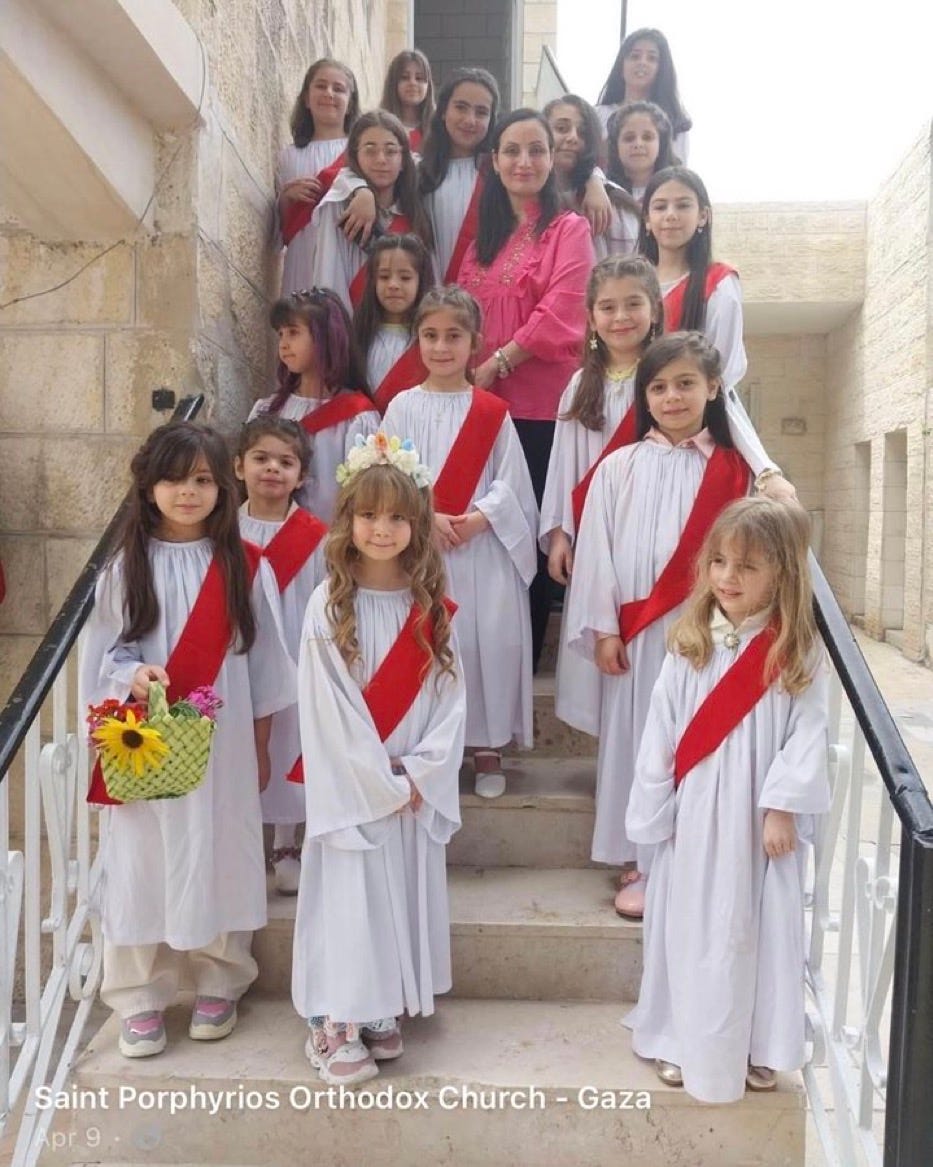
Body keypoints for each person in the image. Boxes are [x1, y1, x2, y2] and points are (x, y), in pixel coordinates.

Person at [79, 421, 294, 1058]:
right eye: (173, 478)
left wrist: (260, 748)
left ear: (224, 486)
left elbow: (266, 669)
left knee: (222, 847)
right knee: (141, 856)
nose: (188, 492)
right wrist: (131, 675)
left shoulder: (246, 567)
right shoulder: (125, 567)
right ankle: (138, 992)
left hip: (222, 744)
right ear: (148, 486)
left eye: (202, 479)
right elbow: (103, 655)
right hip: (146, 740)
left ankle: (221, 977)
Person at [626, 497, 829, 1102]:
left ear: (781, 573)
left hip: (758, 824)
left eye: (747, 566)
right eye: (718, 562)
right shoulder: (690, 642)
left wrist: (783, 805)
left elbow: (809, 731)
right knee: (691, 929)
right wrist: (656, 808)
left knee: (755, 933)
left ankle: (759, 1043)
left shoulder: (796, 651)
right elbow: (661, 730)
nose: (728, 577)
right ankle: (681, 1037)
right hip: (695, 817)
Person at [291, 436, 466, 1086]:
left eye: (397, 517)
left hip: (408, 784)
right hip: (354, 786)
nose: (382, 529)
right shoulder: (328, 605)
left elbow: (451, 699)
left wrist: (420, 772)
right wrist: (374, 779)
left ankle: (377, 1002)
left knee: (395, 891)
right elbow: (327, 707)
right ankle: (335, 1017)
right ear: (348, 520)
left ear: (417, 524)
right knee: (351, 893)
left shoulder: (430, 608)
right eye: (368, 515)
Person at [566, 332, 752, 918]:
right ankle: (642, 860)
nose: (671, 397)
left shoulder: (735, 471)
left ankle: (695, 854)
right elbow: (596, 552)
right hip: (639, 633)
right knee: (639, 744)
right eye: (658, 387)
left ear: (714, 388)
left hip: (707, 634)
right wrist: (603, 629)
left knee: (697, 742)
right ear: (643, 396)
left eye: (685, 384)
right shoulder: (618, 467)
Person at [383, 288, 537, 798]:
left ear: (476, 343)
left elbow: (513, 483)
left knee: (484, 642)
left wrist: (479, 519)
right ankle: (431, 746)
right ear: (417, 340)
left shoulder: (491, 411)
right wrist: (423, 516)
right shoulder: (402, 407)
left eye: (454, 336)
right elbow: (385, 475)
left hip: (482, 549)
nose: (441, 346)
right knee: (430, 645)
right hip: (420, 549)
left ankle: (488, 746)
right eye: (430, 335)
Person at [459, 108, 595, 671]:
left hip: (540, 409)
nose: (524, 161)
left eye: (536, 149)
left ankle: (526, 657)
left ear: (552, 158)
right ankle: (483, 653)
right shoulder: (481, 243)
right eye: (512, 150)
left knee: (531, 533)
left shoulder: (569, 229)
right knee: (486, 529)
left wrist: (498, 362)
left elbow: (564, 310)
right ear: (494, 161)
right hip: (483, 406)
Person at [540, 256, 662, 738]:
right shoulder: (579, 385)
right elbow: (563, 465)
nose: (621, 317)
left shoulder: (666, 379)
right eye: (607, 307)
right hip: (596, 534)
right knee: (604, 637)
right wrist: (560, 534)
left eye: (633, 304)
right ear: (591, 318)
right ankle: (613, 750)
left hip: (653, 533)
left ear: (655, 308)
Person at [639, 165, 797, 500]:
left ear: (703, 216)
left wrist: (764, 468)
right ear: (646, 219)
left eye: (683, 205)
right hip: (632, 421)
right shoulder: (632, 286)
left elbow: (722, 378)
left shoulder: (719, 284)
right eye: (660, 206)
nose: (671, 215)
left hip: (697, 428)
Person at [235, 416, 327, 896]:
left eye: (286, 462)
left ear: (302, 476)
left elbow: (324, 597)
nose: (273, 469)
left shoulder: (316, 535)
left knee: (290, 741)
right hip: (234, 654)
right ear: (239, 466)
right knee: (240, 747)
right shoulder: (222, 530)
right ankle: (244, 841)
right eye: (261, 458)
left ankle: (287, 841)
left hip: (293, 651)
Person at [249, 288, 379, 522]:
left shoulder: (357, 416)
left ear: (326, 339)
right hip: (269, 534)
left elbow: (364, 494)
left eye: (293, 332)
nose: (284, 344)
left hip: (328, 536)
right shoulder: (267, 410)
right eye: (281, 334)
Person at [310, 110, 434, 313]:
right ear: (355, 156)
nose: (381, 159)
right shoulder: (338, 204)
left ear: (403, 160)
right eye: (370, 150)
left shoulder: (418, 207)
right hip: (352, 323)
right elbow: (328, 275)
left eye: (391, 151)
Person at [277, 59, 359, 296]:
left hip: (345, 256)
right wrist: (287, 198)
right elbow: (280, 230)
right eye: (321, 86)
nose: (329, 93)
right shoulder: (288, 156)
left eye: (339, 89)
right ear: (306, 98)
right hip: (301, 257)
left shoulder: (359, 152)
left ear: (350, 104)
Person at [419, 68, 500, 284]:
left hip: (484, 290)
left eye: (481, 112)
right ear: (443, 111)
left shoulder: (500, 173)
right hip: (430, 291)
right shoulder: (419, 171)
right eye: (461, 107)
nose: (470, 120)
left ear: (491, 120)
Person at [543, 94, 630, 259]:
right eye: (561, 128)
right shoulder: (525, 192)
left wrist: (594, 179)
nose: (573, 138)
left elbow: (631, 262)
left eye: (582, 133)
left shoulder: (612, 201)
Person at [352, 234, 432, 412]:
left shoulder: (431, 339)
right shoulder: (358, 336)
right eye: (384, 277)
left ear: (421, 281)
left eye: (405, 278)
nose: (393, 285)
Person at [594, 28, 692, 163]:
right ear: (621, 66)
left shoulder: (676, 122)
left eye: (652, 58)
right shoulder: (598, 116)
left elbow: (678, 171)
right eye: (635, 56)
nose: (642, 62)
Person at [606, 100, 677, 201]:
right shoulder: (602, 192)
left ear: (661, 144)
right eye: (629, 138)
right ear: (616, 146)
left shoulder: (679, 189)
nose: (638, 144)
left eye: (647, 137)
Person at [380, 49, 435, 152]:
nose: (412, 83)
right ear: (393, 83)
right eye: (404, 77)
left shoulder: (439, 128)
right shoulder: (377, 127)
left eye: (419, 78)